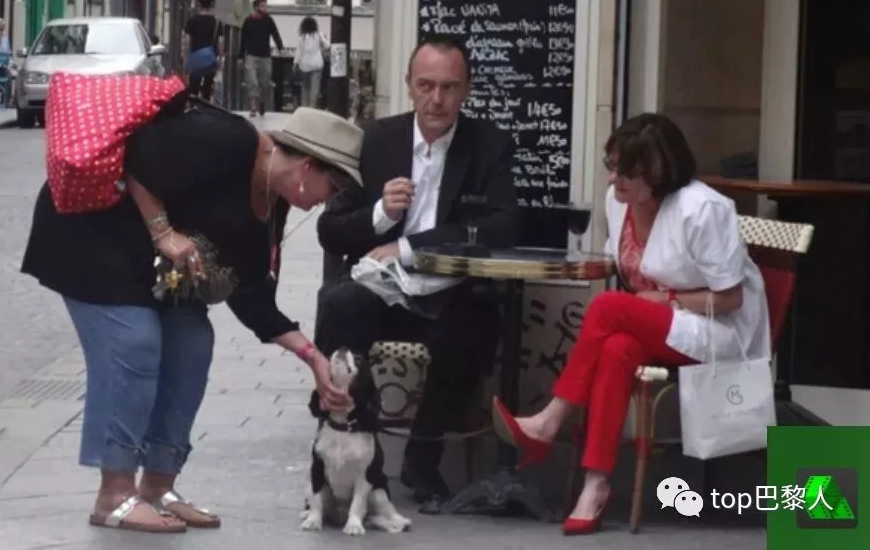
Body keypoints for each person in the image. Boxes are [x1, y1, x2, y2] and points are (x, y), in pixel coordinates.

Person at [21, 105, 364, 535]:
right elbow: (140, 160)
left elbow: (252, 295)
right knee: (135, 341)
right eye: (330, 188)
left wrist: (313, 357)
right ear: (308, 166)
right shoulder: (230, 140)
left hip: (150, 270)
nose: (323, 202)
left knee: (192, 342)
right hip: (91, 237)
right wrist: (164, 232)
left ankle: (158, 487)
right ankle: (114, 493)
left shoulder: (271, 208)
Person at [491, 113, 769, 536]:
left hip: (715, 329)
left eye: (628, 171)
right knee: (617, 347)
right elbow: (624, 265)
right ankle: (596, 484)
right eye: (612, 166)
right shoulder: (617, 202)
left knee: (608, 308)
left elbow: (731, 298)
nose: (615, 180)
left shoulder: (704, 209)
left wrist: (670, 298)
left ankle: (550, 420)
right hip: (658, 325)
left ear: (659, 173)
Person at [315, 35, 519, 506]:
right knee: (341, 304)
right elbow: (331, 230)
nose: (437, 99)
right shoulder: (377, 139)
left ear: (466, 90)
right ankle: (349, 449)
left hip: (449, 290)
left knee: (475, 327)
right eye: (426, 85)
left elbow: (504, 224)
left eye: (449, 87)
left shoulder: (488, 145)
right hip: (383, 291)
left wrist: (405, 245)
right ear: (409, 86)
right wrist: (379, 216)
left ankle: (422, 460)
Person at [237, 0, 283, 117]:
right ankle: (253, 106)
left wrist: (280, 48)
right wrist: (240, 56)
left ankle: (261, 102)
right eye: (262, 6)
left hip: (265, 56)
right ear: (256, 7)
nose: (265, 8)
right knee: (252, 81)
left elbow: (275, 34)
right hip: (251, 56)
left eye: (265, 6)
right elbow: (243, 40)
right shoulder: (248, 21)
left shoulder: (268, 20)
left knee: (265, 82)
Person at [184, 0, 224, 101]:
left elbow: (187, 41)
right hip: (210, 60)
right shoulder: (217, 23)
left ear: (199, 4)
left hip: (195, 60)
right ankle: (205, 107)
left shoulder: (191, 21)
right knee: (207, 88)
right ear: (211, 5)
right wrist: (220, 60)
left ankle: (193, 107)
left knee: (193, 88)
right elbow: (221, 42)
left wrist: (186, 58)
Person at [295, 16, 329, 108]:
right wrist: (321, 46)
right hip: (317, 64)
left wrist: (295, 63)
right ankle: (312, 106)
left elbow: (299, 51)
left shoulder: (302, 37)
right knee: (315, 87)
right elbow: (327, 45)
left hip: (305, 65)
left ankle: (305, 106)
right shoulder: (318, 34)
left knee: (305, 86)